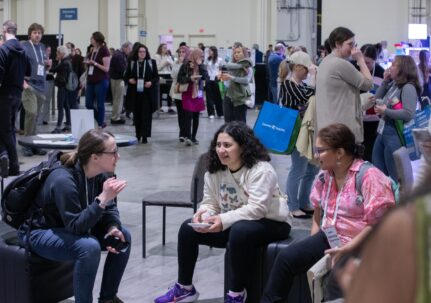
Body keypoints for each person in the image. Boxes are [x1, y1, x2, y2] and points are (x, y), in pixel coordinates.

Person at [154, 121, 291, 303]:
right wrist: (204, 213)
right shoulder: (214, 171)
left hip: (272, 222)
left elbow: (257, 209)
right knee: (188, 228)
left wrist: (221, 219)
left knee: (240, 230)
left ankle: (236, 295)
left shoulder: (261, 170)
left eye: (227, 145)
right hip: (233, 223)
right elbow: (210, 202)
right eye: (218, 145)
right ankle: (185, 288)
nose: (221, 150)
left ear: (243, 147)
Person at [261, 123, 395, 303]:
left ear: (339, 153)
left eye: (320, 150)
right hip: (331, 238)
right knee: (286, 259)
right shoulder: (326, 176)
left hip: (363, 244)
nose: (316, 156)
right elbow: (318, 211)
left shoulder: (369, 176)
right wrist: (313, 241)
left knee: (336, 281)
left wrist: (347, 248)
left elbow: (379, 224)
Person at [18, 129, 131, 303]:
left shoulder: (104, 174)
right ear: (95, 157)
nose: (118, 157)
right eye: (113, 152)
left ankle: (108, 299)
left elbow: (110, 210)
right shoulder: (63, 179)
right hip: (39, 232)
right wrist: (102, 199)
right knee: (89, 246)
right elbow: (76, 226)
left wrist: (112, 227)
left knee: (124, 236)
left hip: (72, 227)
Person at [279, 51, 319, 218]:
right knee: (299, 168)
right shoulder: (288, 84)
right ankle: (292, 205)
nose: (308, 72)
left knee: (312, 169)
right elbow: (306, 97)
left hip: (306, 130)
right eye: (306, 69)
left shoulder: (300, 84)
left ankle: (303, 202)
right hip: (296, 131)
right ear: (297, 67)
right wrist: (313, 78)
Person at [316, 27, 373, 143]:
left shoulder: (325, 61)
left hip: (329, 125)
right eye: (350, 44)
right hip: (342, 129)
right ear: (338, 44)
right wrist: (361, 60)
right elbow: (368, 84)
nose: (354, 48)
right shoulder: (340, 64)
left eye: (354, 44)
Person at [372, 55, 420, 180]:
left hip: (395, 136)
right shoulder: (394, 84)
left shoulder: (408, 87)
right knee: (378, 172)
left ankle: (399, 199)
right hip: (382, 132)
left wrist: (386, 111)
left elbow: (408, 114)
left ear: (402, 69)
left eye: (393, 65)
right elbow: (375, 99)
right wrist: (385, 81)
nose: (390, 67)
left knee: (396, 176)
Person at [0, 20, 31, 176]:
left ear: (5, 31)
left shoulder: (4, 49)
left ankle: (13, 164)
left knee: (5, 130)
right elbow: (28, 72)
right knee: (9, 129)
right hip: (17, 95)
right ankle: (4, 156)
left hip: (4, 95)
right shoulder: (23, 49)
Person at [21, 22, 51, 156]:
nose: (37, 35)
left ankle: (34, 143)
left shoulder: (42, 47)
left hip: (41, 86)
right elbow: (18, 65)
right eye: (35, 33)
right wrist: (22, 82)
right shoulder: (24, 46)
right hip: (29, 85)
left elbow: (42, 66)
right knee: (31, 113)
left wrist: (48, 65)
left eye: (39, 33)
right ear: (30, 34)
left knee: (36, 117)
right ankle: (26, 144)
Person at [124, 43, 159, 144]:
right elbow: (126, 76)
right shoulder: (132, 62)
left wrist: (150, 82)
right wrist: (130, 80)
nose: (142, 53)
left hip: (147, 93)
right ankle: (138, 134)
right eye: (140, 52)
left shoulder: (151, 62)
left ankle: (145, 136)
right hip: (135, 93)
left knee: (146, 114)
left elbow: (156, 77)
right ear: (137, 53)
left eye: (144, 52)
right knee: (137, 114)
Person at [177, 48, 208, 146]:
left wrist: (200, 65)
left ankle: (193, 137)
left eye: (202, 56)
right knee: (188, 115)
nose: (201, 58)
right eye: (200, 56)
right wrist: (190, 78)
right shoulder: (186, 65)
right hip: (188, 92)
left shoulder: (201, 66)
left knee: (196, 116)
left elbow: (206, 77)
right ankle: (188, 136)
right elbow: (180, 79)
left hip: (198, 92)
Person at [84, 31, 111, 128]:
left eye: (92, 38)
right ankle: (100, 121)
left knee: (100, 104)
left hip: (101, 80)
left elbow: (106, 68)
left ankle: (100, 124)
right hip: (91, 79)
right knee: (88, 104)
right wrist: (88, 63)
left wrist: (94, 63)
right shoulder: (92, 49)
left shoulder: (104, 50)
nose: (90, 39)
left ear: (97, 39)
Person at [220, 45, 253, 123]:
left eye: (239, 52)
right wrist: (223, 78)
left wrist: (231, 77)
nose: (236, 54)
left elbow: (246, 81)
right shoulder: (230, 65)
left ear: (244, 53)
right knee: (228, 122)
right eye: (234, 52)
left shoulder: (247, 67)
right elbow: (225, 82)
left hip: (240, 98)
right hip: (228, 96)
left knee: (240, 122)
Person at [50, 45, 75, 134]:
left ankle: (58, 127)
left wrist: (53, 63)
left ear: (62, 53)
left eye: (58, 52)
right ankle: (68, 125)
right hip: (66, 87)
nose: (56, 54)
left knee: (60, 106)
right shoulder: (67, 61)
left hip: (62, 86)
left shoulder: (64, 63)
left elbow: (53, 70)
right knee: (66, 106)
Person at [109, 41, 132, 125]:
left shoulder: (119, 54)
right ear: (125, 48)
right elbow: (122, 69)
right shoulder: (119, 55)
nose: (130, 51)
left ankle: (116, 116)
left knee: (118, 99)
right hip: (118, 79)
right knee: (118, 100)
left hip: (116, 79)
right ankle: (115, 118)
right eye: (129, 49)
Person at [170, 45, 190, 142]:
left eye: (183, 52)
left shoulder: (188, 63)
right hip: (177, 90)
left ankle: (186, 133)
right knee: (180, 114)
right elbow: (173, 75)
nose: (181, 54)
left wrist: (181, 64)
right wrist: (178, 64)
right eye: (180, 52)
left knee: (186, 113)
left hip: (186, 90)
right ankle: (181, 133)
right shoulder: (175, 62)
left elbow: (185, 76)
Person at [155, 43, 175, 113]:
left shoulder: (168, 56)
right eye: (164, 48)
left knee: (170, 91)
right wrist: (164, 63)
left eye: (166, 48)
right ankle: (159, 107)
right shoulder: (157, 56)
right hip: (161, 75)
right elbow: (157, 68)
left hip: (168, 75)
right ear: (160, 48)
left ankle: (170, 107)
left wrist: (170, 63)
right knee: (160, 91)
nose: (165, 49)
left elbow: (173, 65)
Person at [205, 46, 224, 119]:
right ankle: (211, 113)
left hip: (217, 78)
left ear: (214, 51)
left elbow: (221, 69)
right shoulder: (207, 60)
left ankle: (220, 113)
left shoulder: (219, 60)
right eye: (208, 51)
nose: (209, 52)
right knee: (209, 96)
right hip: (209, 78)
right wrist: (206, 77)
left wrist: (219, 75)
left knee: (218, 96)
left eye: (210, 51)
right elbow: (206, 69)